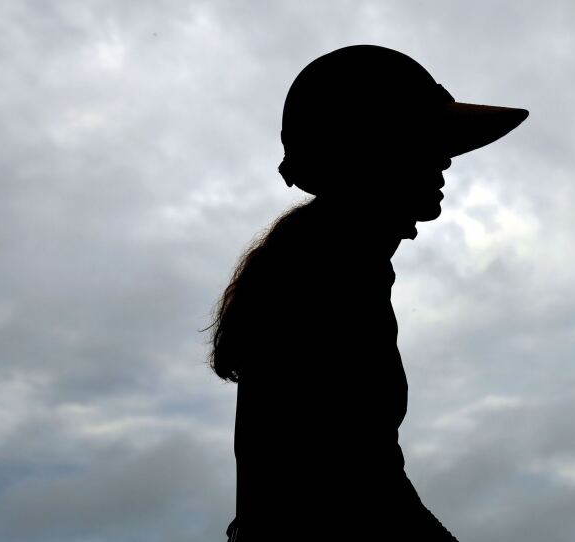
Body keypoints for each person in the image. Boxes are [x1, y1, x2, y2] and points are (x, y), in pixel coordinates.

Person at [208, 44, 528, 541]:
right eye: (429, 141)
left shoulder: (323, 257)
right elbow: (355, 481)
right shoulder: (331, 268)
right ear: (374, 149)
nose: (446, 160)